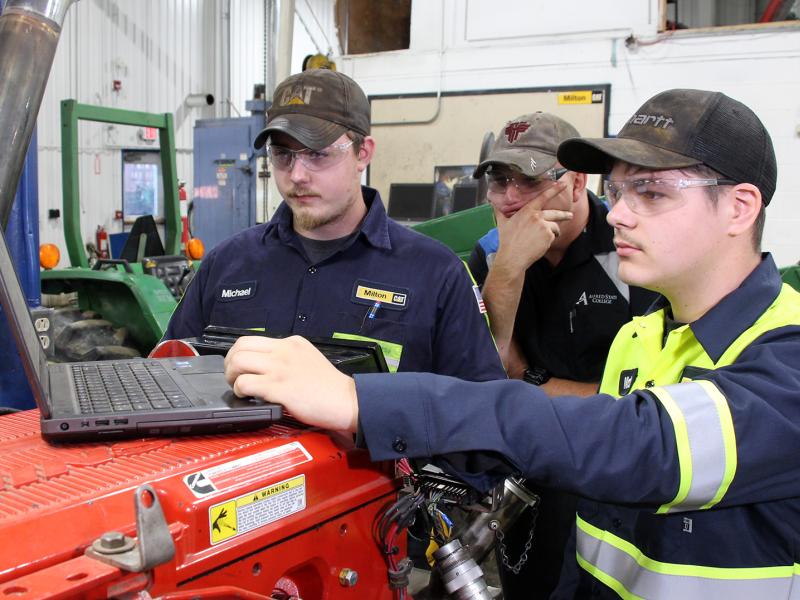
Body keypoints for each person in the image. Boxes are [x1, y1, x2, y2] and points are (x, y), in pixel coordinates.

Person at [224, 88, 800, 599]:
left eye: (649, 193)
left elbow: (627, 441)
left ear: (739, 207)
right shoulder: (640, 335)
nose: (618, 213)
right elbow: (596, 530)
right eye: (619, 191)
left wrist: (364, 400)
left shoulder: (788, 353)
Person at [165, 68, 505, 383]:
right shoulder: (225, 265)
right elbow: (169, 372)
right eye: (283, 155)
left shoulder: (436, 275)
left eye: (317, 153)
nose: (297, 175)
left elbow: (480, 412)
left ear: (363, 153)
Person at [468, 112, 658, 598]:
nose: (510, 199)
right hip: (529, 470)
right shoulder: (492, 254)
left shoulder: (630, 251)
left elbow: (645, 404)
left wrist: (528, 382)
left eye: (529, 181)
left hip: (615, 471)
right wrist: (510, 265)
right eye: (499, 181)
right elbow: (484, 370)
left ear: (576, 182)